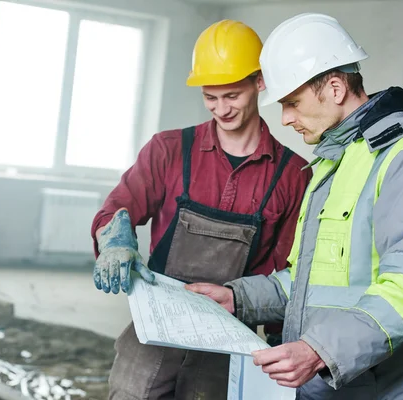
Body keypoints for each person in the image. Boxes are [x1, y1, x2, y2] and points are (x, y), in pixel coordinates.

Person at [187, 13, 403, 399]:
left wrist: (319, 350)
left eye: (292, 103)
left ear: (335, 88)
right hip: (342, 386)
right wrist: (238, 298)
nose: (285, 119)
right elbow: (309, 281)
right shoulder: (337, 160)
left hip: (400, 390)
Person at [91, 19, 312, 399]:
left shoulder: (292, 175)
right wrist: (114, 239)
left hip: (230, 337)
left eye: (232, 96)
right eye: (211, 97)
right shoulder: (169, 149)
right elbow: (118, 207)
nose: (221, 109)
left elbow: (289, 270)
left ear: (259, 82)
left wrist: (281, 340)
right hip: (156, 327)